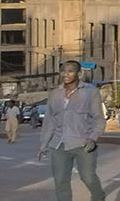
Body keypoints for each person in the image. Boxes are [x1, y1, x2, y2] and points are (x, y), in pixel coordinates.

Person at [34, 63, 105, 201]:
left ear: (79, 74)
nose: (66, 74)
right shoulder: (55, 94)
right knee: (60, 181)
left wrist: (93, 138)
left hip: (83, 143)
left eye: (70, 71)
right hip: (59, 144)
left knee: (88, 178)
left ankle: (99, 197)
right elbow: (49, 121)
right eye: (63, 71)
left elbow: (99, 119)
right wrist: (44, 144)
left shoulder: (90, 92)